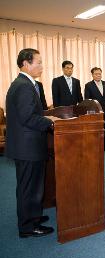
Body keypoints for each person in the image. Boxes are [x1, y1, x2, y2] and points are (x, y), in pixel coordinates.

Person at [5, 48, 58, 238]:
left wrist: (46, 116)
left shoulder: (24, 83)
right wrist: (50, 121)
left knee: (32, 185)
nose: (42, 66)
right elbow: (28, 118)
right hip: (27, 147)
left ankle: (33, 216)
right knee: (29, 187)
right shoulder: (24, 86)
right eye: (39, 62)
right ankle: (28, 227)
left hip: (28, 145)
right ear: (26, 64)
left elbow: (30, 114)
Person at [84, 67, 105, 151]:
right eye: (96, 74)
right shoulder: (88, 85)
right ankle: (96, 146)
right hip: (94, 112)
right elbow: (87, 100)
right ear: (92, 75)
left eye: (99, 73)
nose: (98, 75)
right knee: (95, 129)